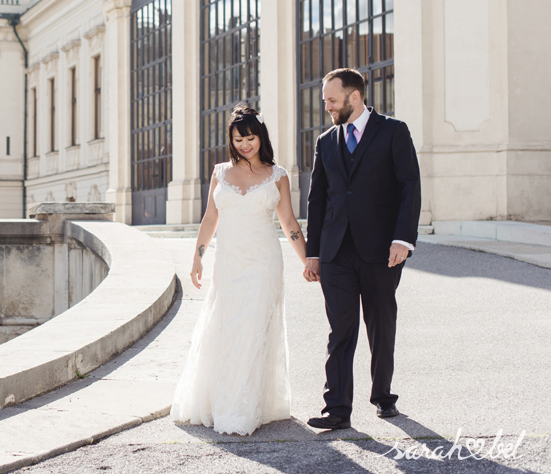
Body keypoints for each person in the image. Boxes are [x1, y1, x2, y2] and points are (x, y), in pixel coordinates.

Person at [171, 105, 307, 435]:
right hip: (229, 263)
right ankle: (223, 400)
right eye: (238, 139)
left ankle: (243, 407)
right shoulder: (219, 173)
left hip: (263, 263)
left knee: (253, 329)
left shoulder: (278, 175)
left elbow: (288, 222)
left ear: (261, 138)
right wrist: (197, 257)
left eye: (250, 137)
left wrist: (307, 259)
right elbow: (210, 219)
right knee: (227, 327)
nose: (245, 144)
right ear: (231, 141)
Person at [304, 68, 421, 430]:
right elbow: (317, 201)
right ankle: (336, 408)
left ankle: (383, 396)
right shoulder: (326, 141)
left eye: (332, 100)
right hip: (337, 252)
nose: (327, 106)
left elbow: (409, 187)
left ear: (354, 97)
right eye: (325, 100)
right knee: (340, 332)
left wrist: (403, 239)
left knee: (380, 326)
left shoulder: (393, 132)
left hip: (382, 250)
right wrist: (313, 252)